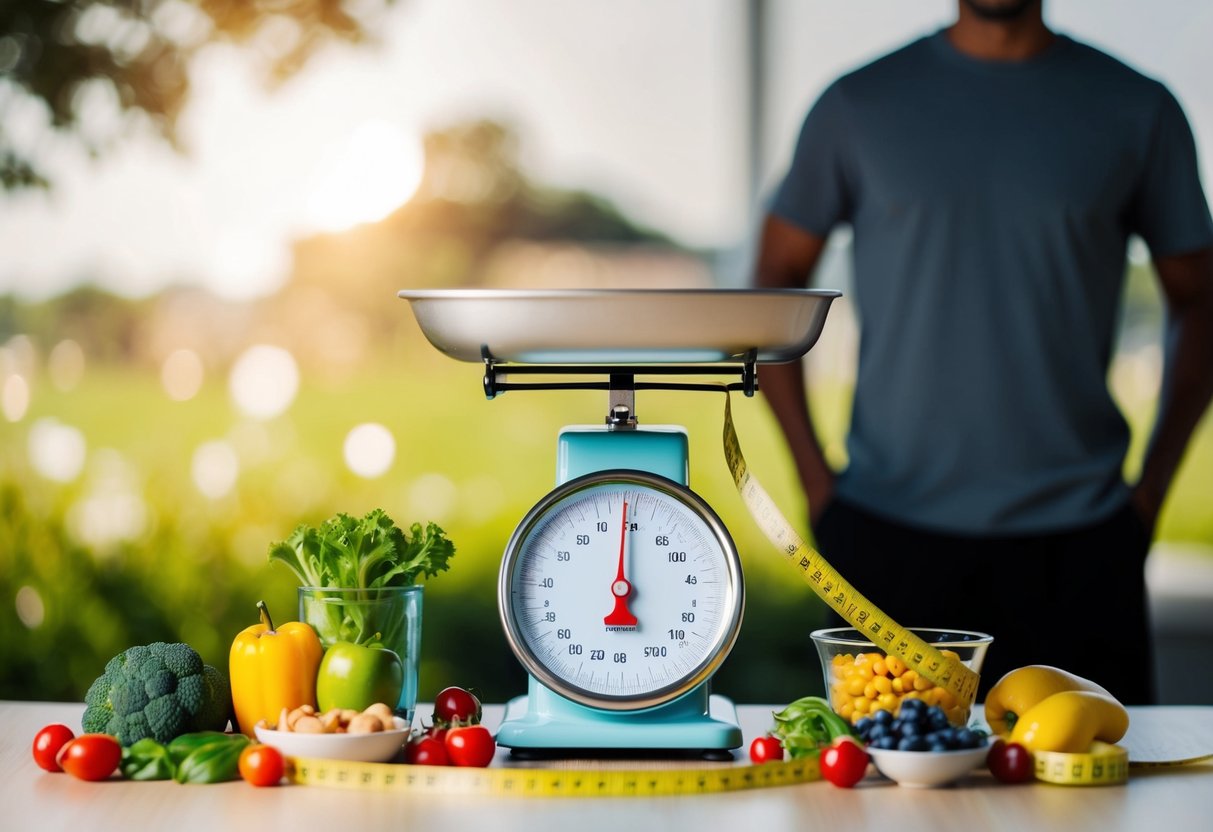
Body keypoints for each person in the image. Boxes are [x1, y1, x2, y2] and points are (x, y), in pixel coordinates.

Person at [752, 0, 1213, 704]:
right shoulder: (856, 105)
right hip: (886, 538)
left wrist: (1149, 494)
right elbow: (775, 277)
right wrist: (817, 487)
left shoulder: (1138, 110)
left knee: (1099, 810)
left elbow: (1200, 297)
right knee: (886, 809)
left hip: (1081, 546)